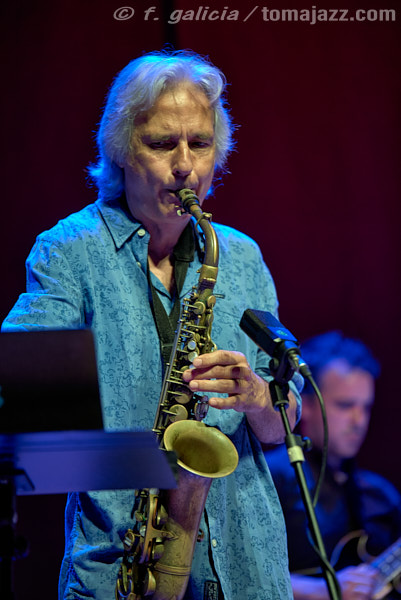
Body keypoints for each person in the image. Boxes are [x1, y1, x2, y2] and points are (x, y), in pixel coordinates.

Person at [2, 50, 302, 599]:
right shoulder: (69, 250)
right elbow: (22, 412)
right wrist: (152, 459)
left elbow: (283, 425)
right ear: (120, 151)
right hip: (120, 565)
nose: (185, 165)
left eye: (200, 144)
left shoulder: (241, 255)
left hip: (246, 566)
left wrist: (260, 396)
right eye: (163, 143)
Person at [265, 331, 401, 600]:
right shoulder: (269, 477)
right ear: (306, 404)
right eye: (345, 405)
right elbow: (238, 571)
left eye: (366, 407)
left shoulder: (381, 494)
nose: (359, 421)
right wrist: (322, 590)